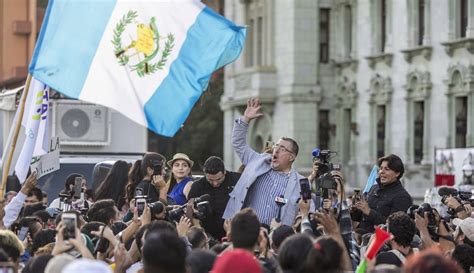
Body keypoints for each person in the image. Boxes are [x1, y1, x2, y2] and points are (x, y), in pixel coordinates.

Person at [223, 98, 306, 226]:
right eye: (276, 147)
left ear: (291, 157)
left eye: (282, 149)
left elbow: (307, 211)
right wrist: (245, 120)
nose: (276, 151)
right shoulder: (256, 161)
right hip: (247, 230)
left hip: (275, 239)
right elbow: (238, 143)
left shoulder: (300, 183)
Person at [352, 154, 413, 233]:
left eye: (386, 169)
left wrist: (369, 212)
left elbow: (394, 227)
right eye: (381, 168)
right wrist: (355, 209)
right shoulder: (373, 188)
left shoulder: (402, 197)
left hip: (379, 242)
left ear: (397, 173)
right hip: (360, 238)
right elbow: (359, 217)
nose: (381, 172)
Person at [188, 156, 241, 239]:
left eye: (219, 179)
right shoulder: (197, 186)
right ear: (205, 174)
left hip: (236, 230)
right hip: (208, 235)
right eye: (210, 180)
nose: (215, 183)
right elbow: (190, 211)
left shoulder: (238, 180)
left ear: (224, 172)